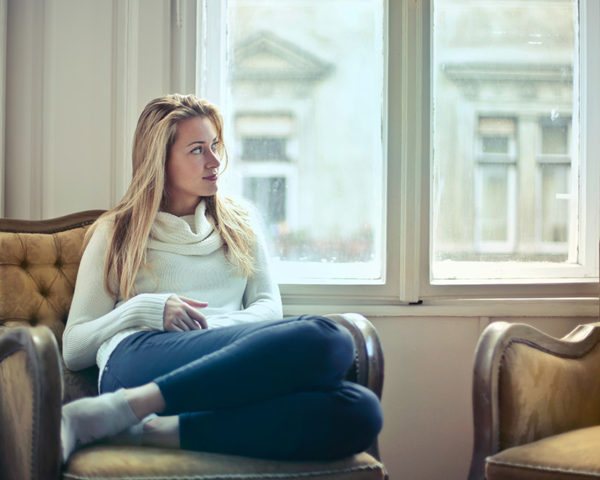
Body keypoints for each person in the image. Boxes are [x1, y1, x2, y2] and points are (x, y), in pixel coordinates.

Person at [61, 93, 382, 463]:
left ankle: (147, 428)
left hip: (227, 360)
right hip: (138, 360)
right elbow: (74, 347)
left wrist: (212, 327)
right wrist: (143, 309)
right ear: (159, 161)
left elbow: (267, 308)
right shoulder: (116, 232)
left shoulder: (240, 223)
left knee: (359, 410)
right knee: (327, 339)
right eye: (197, 150)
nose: (214, 161)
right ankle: (127, 404)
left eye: (214, 145)